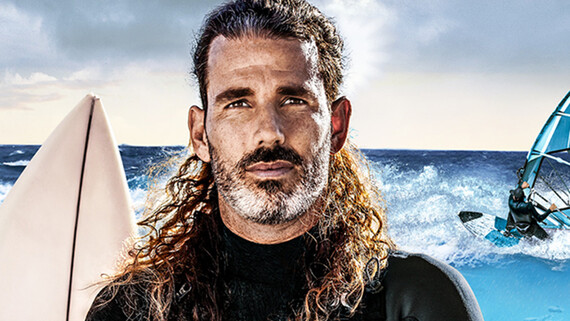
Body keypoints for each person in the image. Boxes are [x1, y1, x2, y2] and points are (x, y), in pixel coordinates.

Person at [86, 1, 483, 320]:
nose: (269, 131)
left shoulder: (415, 299)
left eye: (293, 100)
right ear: (199, 135)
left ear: (338, 126)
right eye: (238, 102)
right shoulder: (130, 308)